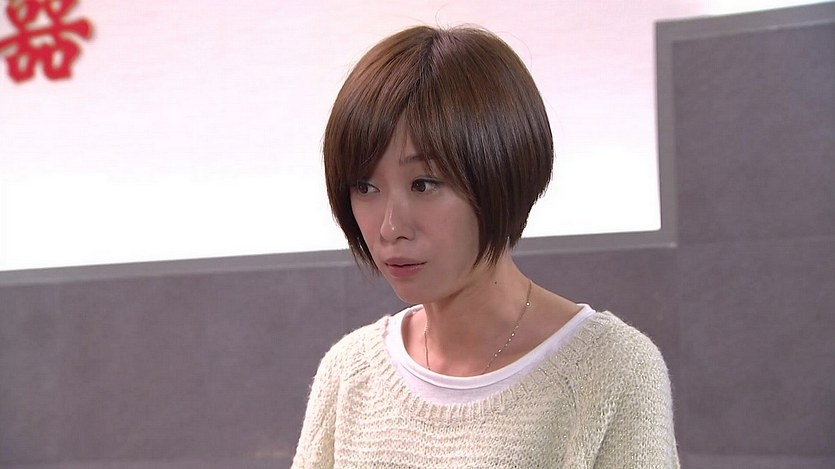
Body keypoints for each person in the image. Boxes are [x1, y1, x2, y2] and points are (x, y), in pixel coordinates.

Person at [292, 25, 679, 468]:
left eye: (423, 184)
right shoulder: (349, 372)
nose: (390, 227)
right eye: (365, 187)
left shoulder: (612, 371)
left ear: (503, 172)